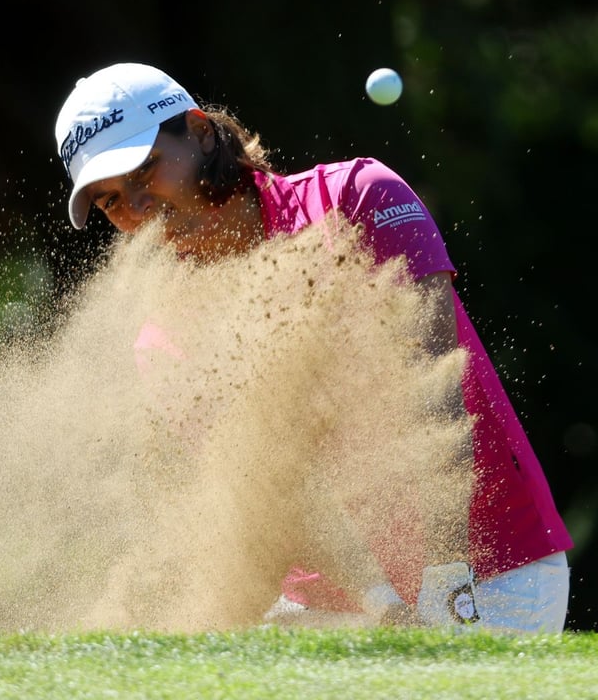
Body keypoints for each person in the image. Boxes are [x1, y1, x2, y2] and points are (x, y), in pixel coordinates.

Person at [51, 62, 572, 632]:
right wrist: (385, 605)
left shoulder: (357, 198)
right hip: (332, 603)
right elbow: (283, 485)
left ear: (200, 132)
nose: (137, 208)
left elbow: (436, 393)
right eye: (111, 202)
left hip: (493, 573)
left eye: (144, 170)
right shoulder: (163, 339)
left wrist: (448, 582)